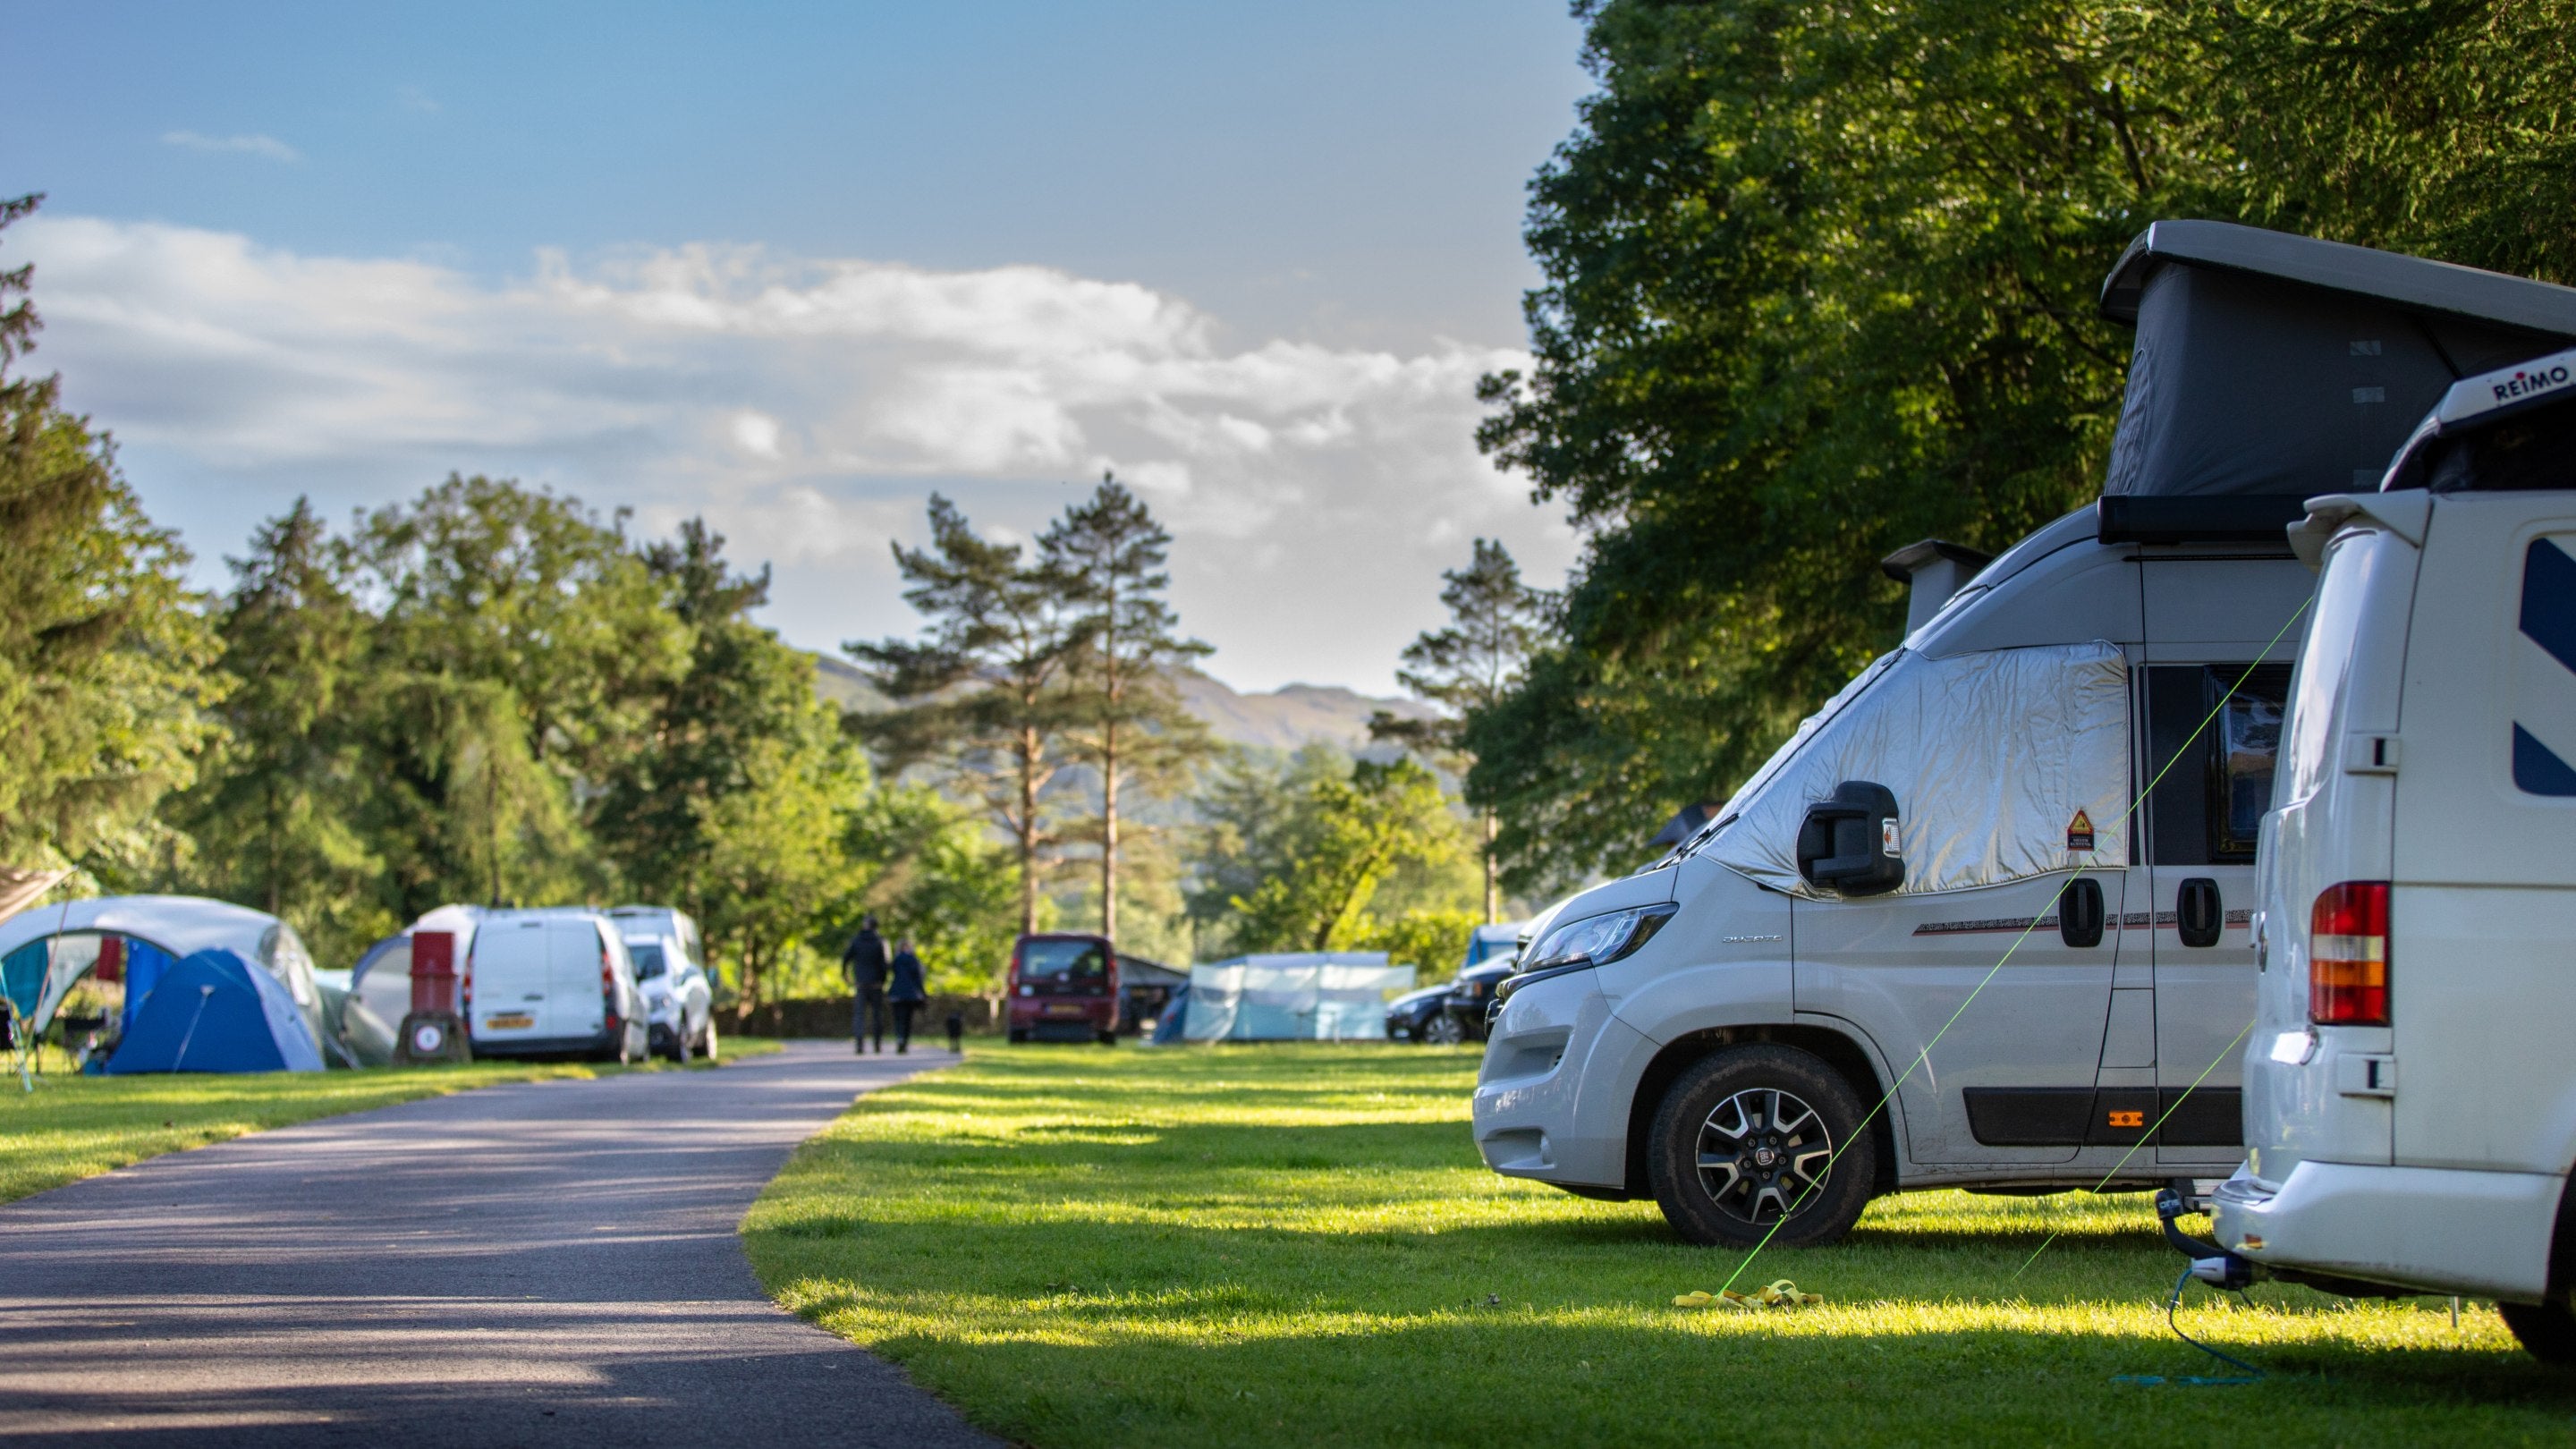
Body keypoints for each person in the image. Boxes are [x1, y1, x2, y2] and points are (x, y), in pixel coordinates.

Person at [841, 914, 890, 1054]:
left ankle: (859, 1044)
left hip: (861, 983)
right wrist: (883, 980)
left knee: (859, 1015)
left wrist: (845, 974)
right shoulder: (881, 941)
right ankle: (877, 1044)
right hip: (876, 984)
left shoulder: (857, 941)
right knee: (877, 1015)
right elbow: (885, 963)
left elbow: (846, 958)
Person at [887, 938, 928, 1055]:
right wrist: (923, 993)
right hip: (911, 994)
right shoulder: (914, 960)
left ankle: (899, 1038)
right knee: (908, 1019)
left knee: (898, 1019)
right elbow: (918, 978)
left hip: (897, 994)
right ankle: (904, 1041)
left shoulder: (896, 960)